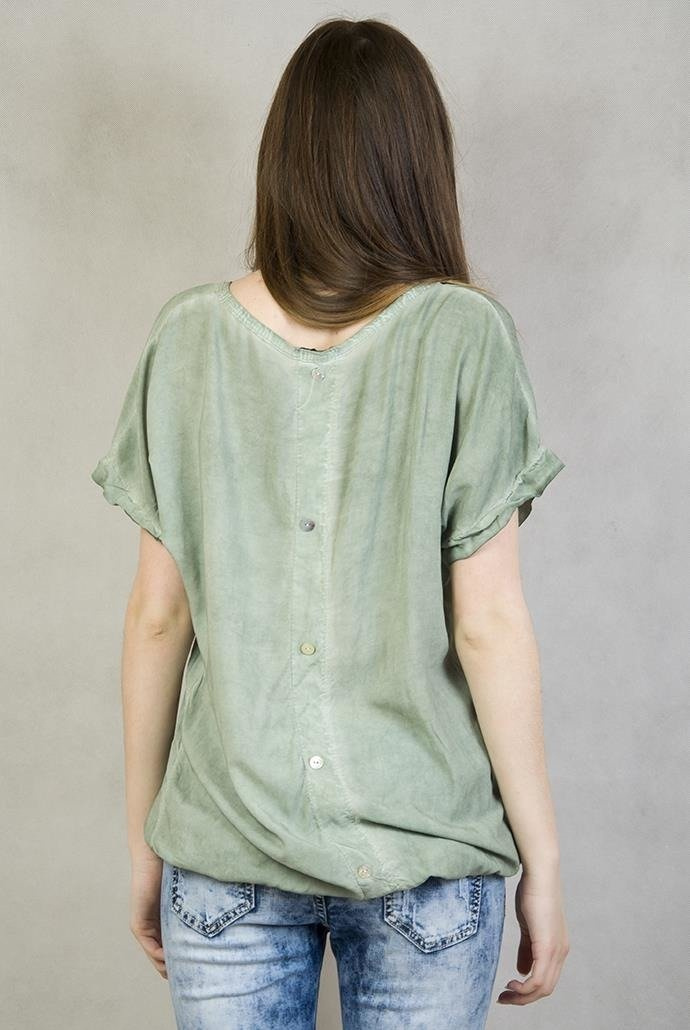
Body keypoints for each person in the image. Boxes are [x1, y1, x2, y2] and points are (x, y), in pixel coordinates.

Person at [91, 16, 570, 1030]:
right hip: (426, 858)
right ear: (417, 163)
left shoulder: (187, 338)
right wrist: (542, 860)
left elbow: (155, 618)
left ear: (286, 161)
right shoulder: (466, 335)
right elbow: (489, 624)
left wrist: (142, 842)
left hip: (220, 856)